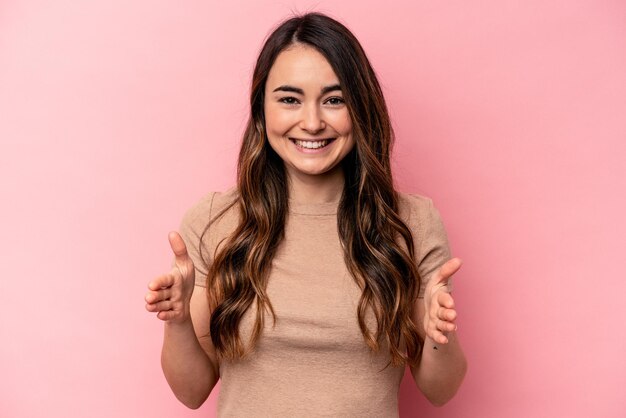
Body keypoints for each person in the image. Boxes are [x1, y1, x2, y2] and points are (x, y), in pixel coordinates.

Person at [144, 12, 467, 417]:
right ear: (262, 110)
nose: (312, 123)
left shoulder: (410, 223)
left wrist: (440, 333)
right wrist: (177, 322)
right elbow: (191, 392)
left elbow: (440, 390)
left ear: (360, 108)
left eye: (334, 100)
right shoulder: (215, 221)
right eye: (289, 99)